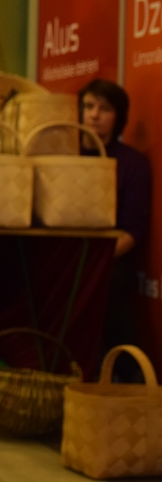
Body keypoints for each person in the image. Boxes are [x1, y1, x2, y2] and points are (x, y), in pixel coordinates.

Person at [79, 79, 152, 382]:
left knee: (103, 282)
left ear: (118, 116)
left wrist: (95, 261)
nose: (94, 115)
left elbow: (133, 232)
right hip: (66, 254)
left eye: (104, 109)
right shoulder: (66, 158)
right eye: (88, 106)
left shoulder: (133, 164)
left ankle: (129, 375)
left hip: (111, 257)